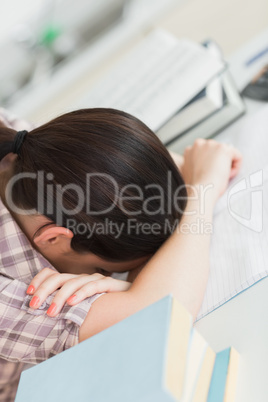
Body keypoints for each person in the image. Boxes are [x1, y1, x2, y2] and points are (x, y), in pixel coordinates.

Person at [0, 107, 242, 401]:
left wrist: (131, 292)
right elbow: (159, 314)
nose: (104, 277)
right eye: (102, 269)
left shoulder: (24, 146)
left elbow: (152, 182)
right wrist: (204, 190)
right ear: (55, 238)